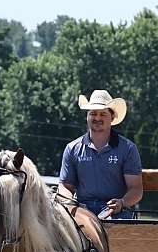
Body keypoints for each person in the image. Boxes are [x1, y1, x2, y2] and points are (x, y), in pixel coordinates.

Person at [58, 90, 143, 219]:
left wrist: (122, 203)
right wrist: (69, 203)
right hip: (82, 210)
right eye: (93, 113)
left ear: (112, 117)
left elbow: (135, 189)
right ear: (87, 116)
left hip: (116, 212)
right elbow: (65, 186)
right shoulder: (72, 148)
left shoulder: (128, 149)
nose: (97, 118)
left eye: (103, 114)